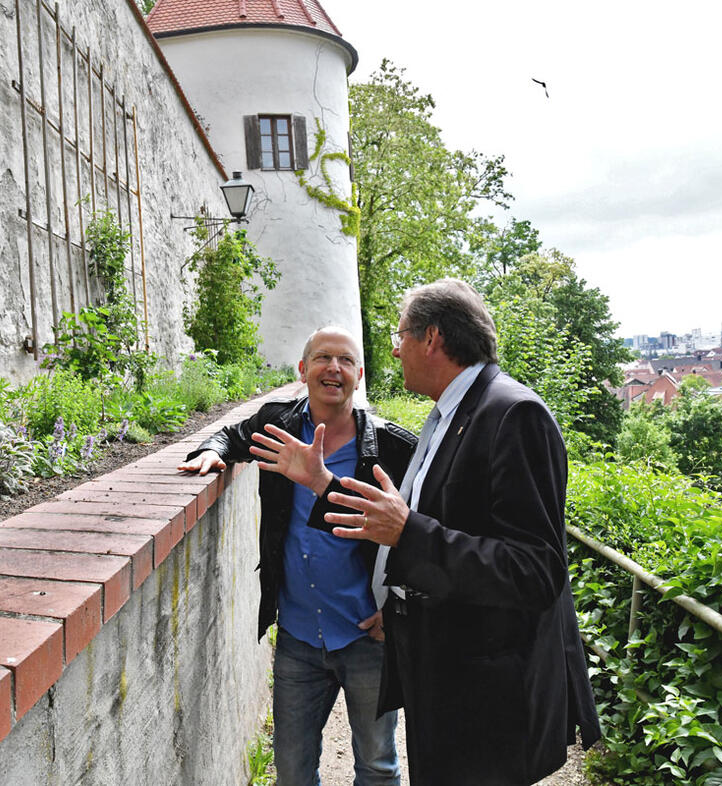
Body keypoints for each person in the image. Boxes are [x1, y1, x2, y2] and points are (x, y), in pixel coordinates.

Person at [252, 281, 601, 785]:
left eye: (400, 336)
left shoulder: (512, 413)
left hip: (486, 694)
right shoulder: (448, 415)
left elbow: (537, 570)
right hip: (444, 679)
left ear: (432, 338)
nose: (395, 349)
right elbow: (412, 524)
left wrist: (408, 533)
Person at [178, 326, 417, 786]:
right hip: (298, 640)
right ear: (303, 370)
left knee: (377, 767)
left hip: (369, 639)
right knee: (291, 772)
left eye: (346, 360)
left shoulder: (393, 447)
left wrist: (399, 605)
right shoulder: (279, 427)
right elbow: (232, 434)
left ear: (359, 375)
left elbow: (423, 532)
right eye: (323, 358)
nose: (334, 368)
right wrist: (212, 451)